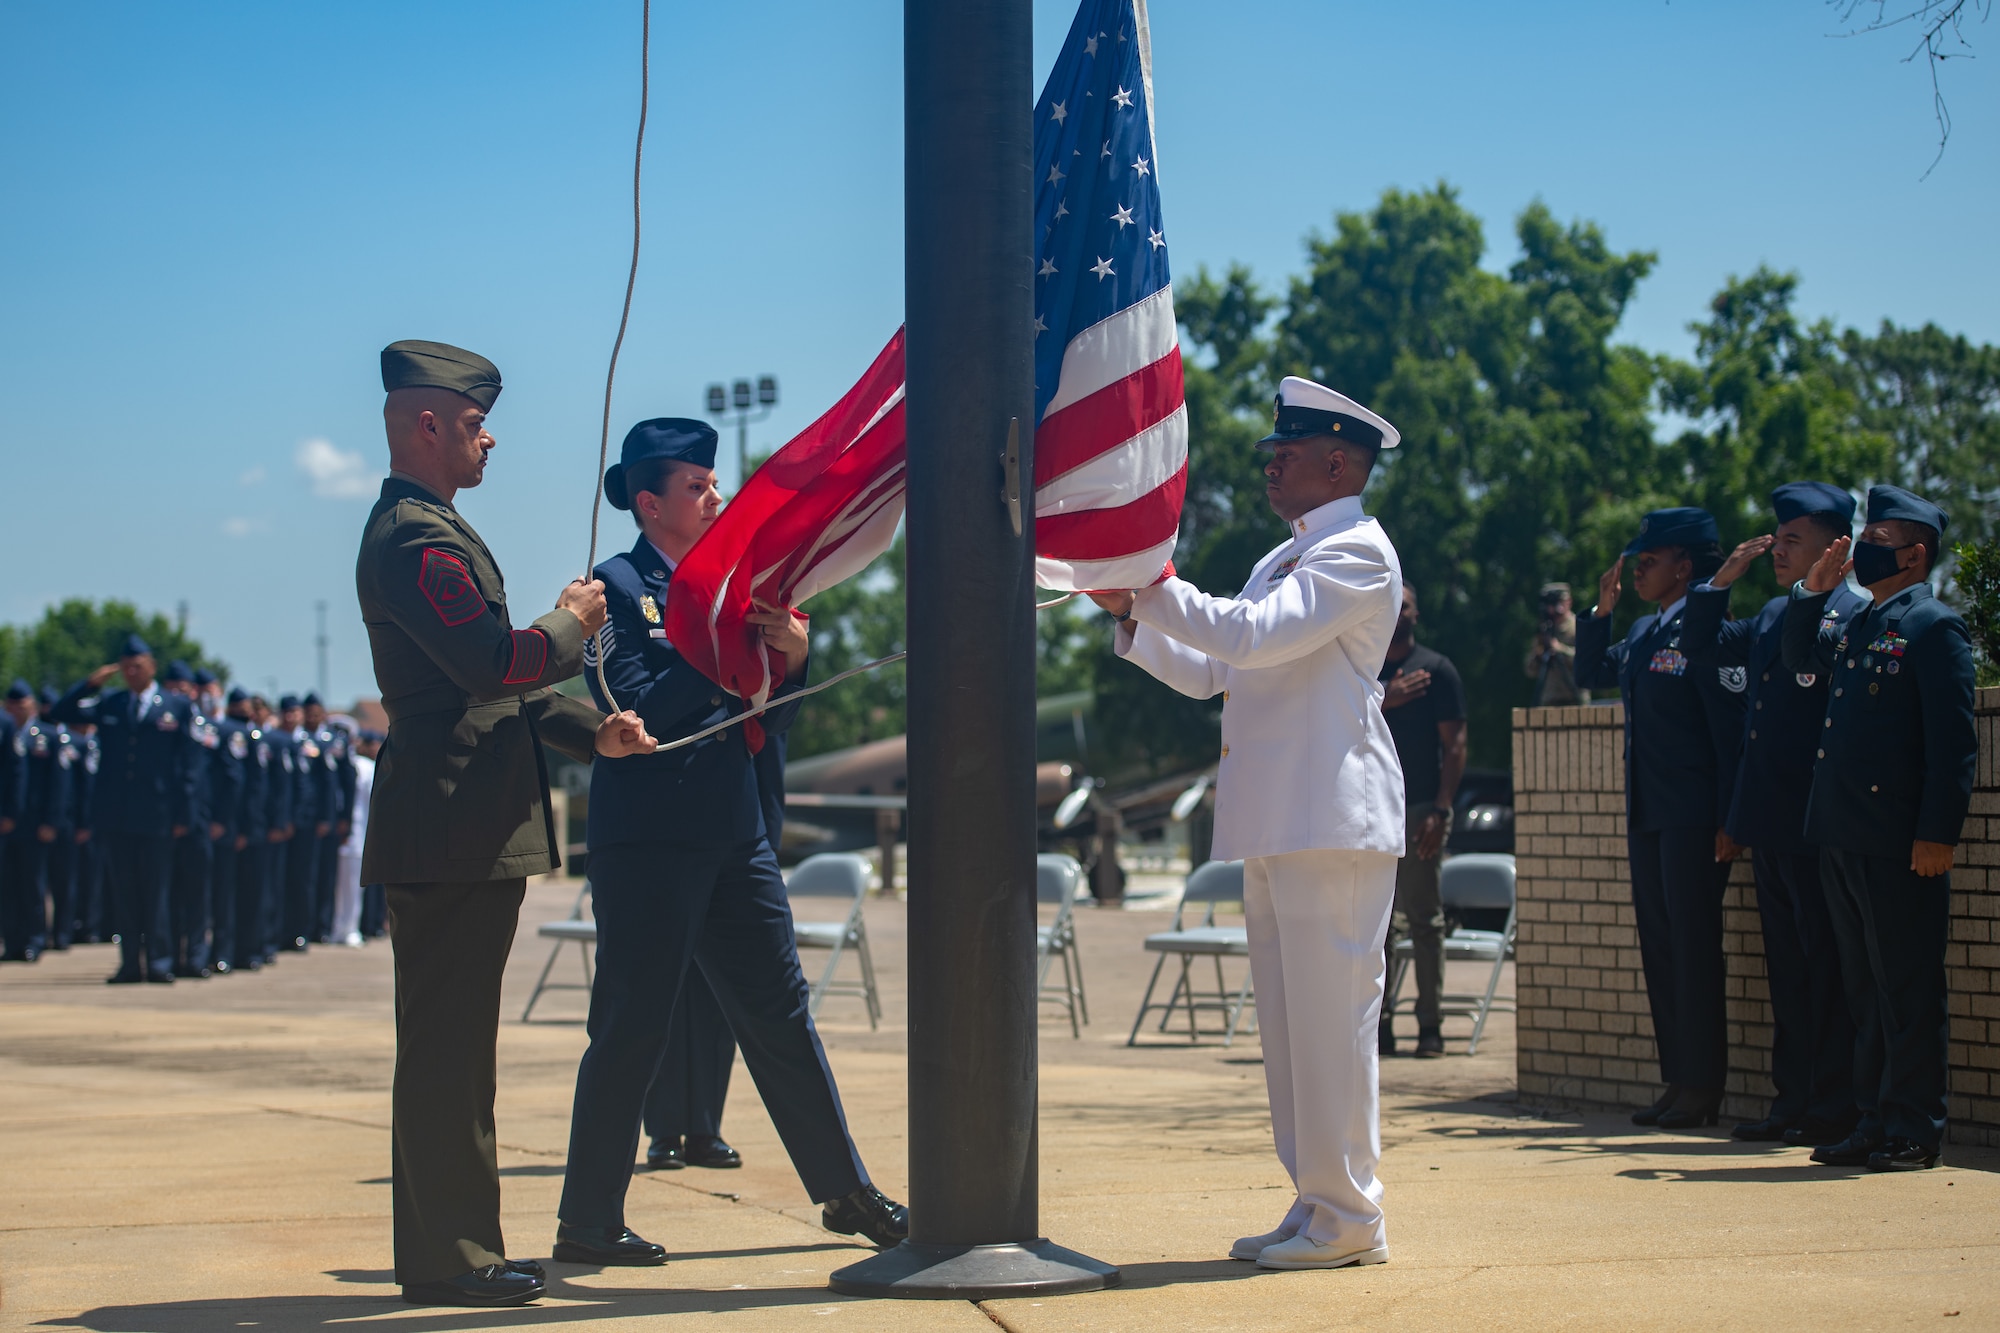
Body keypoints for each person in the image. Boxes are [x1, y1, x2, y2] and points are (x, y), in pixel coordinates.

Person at [556, 417, 906, 1267]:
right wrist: (725, 644)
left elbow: (763, 712)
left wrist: (792, 658)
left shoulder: (733, 584)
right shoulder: (613, 587)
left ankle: (844, 1189)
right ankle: (587, 1218)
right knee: (633, 1025)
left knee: (781, 1015)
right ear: (649, 502)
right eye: (698, 485)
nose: (717, 494)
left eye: (716, 480)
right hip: (650, 838)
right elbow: (635, 704)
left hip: (732, 828)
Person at [356, 339, 654, 1308]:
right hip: (449, 827)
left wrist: (589, 731)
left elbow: (495, 695)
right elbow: (492, 663)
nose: (490, 438)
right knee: (447, 1049)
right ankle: (451, 1257)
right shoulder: (415, 537)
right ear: (428, 424)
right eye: (476, 423)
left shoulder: (433, 528)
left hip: (460, 824)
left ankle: (457, 1247)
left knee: (454, 1046)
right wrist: (571, 623)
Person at [1090, 376, 1405, 1271]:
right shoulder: (1285, 557)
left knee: (1332, 1022)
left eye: (1287, 454)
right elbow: (1212, 671)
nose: (1271, 467)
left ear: (1338, 462)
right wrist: (1131, 614)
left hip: (1333, 818)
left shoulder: (1356, 551)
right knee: (1290, 1026)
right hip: (1283, 817)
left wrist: (1153, 588)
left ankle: (1350, 1218)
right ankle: (1315, 1201)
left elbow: (1255, 637)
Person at [1784, 484, 1977, 1172]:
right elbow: (1799, 659)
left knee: (1907, 989)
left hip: (1900, 842)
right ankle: (1871, 1119)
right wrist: (1811, 592)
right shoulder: (1864, 622)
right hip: (1843, 833)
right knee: (1863, 990)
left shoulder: (1934, 628)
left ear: (1916, 553)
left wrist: (1938, 833)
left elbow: (1953, 745)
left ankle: (1914, 1127)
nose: (1864, 547)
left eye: (1880, 538)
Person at [1682, 482, 1867, 1145]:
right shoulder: (1770, 614)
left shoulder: (1851, 613)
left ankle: (1832, 1104)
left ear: (1834, 546)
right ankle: (1792, 1102)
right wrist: (1719, 581)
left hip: (1819, 822)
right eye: (1778, 538)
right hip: (1769, 820)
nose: (1779, 550)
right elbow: (1703, 648)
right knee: (1788, 971)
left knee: (1827, 967)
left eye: (1794, 539)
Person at [1576, 509, 1746, 1131]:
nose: (1638, 569)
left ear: (1685, 566)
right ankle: (1680, 1078)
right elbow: (1592, 672)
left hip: (1697, 817)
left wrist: (1732, 816)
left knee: (1695, 949)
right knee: (1662, 949)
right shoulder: (1649, 631)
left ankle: (1704, 1086)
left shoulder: (1708, 633)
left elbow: (1729, 735)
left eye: (1650, 560)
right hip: (1651, 812)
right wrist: (1602, 610)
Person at [47, 634, 201, 984]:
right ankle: (130, 964)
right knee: (125, 893)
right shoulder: (111, 703)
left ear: (152, 666)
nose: (132, 672)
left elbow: (189, 766)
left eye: (138, 666)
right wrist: (89, 684)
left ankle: (160, 963)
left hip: (159, 815)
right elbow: (60, 712)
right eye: (126, 667)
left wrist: (184, 814)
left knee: (157, 891)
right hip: (116, 816)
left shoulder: (176, 707)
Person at [1375, 585, 1467, 1059]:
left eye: (1406, 604)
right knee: (1378, 926)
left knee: (1425, 922)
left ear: (1417, 613)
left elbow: (1454, 745)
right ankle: (1380, 1025)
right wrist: (1382, 698)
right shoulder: (1360, 668)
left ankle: (1430, 1026)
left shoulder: (1437, 670)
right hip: (1369, 810)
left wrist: (1441, 809)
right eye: (1392, 603)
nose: (1399, 612)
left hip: (1419, 812)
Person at [2, 680, 69, 962]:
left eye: (22, 703)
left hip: (34, 823)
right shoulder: (5, 733)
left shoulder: (47, 735)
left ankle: (35, 939)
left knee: (32, 884)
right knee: (7, 886)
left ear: (31, 704)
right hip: (6, 825)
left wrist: (51, 821)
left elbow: (59, 782)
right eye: (12, 703)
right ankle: (12, 941)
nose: (17, 708)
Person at [161, 661, 217, 977]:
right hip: (167, 823)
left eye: (185, 689)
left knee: (197, 894)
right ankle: (169, 956)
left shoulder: (205, 724)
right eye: (174, 689)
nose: (179, 694)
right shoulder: (160, 724)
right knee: (168, 894)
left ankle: (195, 958)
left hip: (199, 822)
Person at [204, 683, 253, 974]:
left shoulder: (228, 731)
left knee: (225, 894)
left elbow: (238, 783)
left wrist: (226, 823)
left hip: (223, 829)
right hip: (197, 825)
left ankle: (224, 951)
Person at [331, 728, 379, 947]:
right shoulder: (332, 762)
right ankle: (332, 927)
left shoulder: (366, 767)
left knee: (352, 885)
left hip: (358, 834)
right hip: (332, 835)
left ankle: (350, 927)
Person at [1525, 583, 1586, 706]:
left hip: (1574, 699)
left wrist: (1560, 649)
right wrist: (1539, 655)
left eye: (1558, 602)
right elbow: (1530, 670)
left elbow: (1586, 661)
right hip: (1549, 700)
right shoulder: (1545, 630)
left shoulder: (1579, 627)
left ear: (1569, 602)